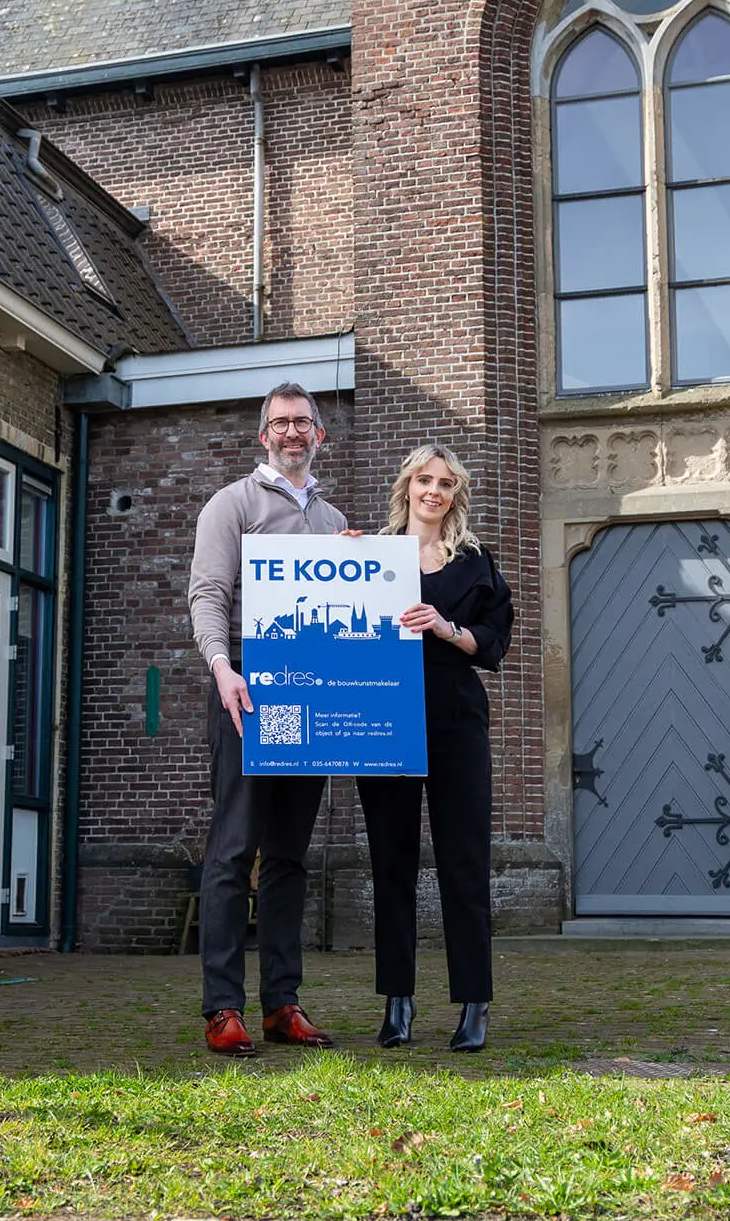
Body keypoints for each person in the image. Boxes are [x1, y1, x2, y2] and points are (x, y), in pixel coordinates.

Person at [184, 383, 348, 1056]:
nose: (292, 431)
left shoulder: (336, 521)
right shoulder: (233, 503)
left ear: (320, 435)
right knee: (233, 849)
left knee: (288, 856)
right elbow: (209, 593)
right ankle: (223, 1006)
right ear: (263, 435)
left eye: (303, 421)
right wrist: (223, 669)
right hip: (250, 687)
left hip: (309, 691)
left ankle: (283, 1001)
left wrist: (363, 565)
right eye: (280, 421)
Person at [356, 443, 513, 1052]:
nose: (434, 490)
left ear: (455, 494)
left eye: (446, 482)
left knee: (464, 861)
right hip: (383, 717)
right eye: (425, 479)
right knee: (391, 862)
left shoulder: (475, 562)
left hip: (455, 719)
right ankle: (398, 1001)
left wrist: (448, 629)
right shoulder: (372, 555)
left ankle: (474, 1002)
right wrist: (333, 553)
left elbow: (497, 638)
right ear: (407, 488)